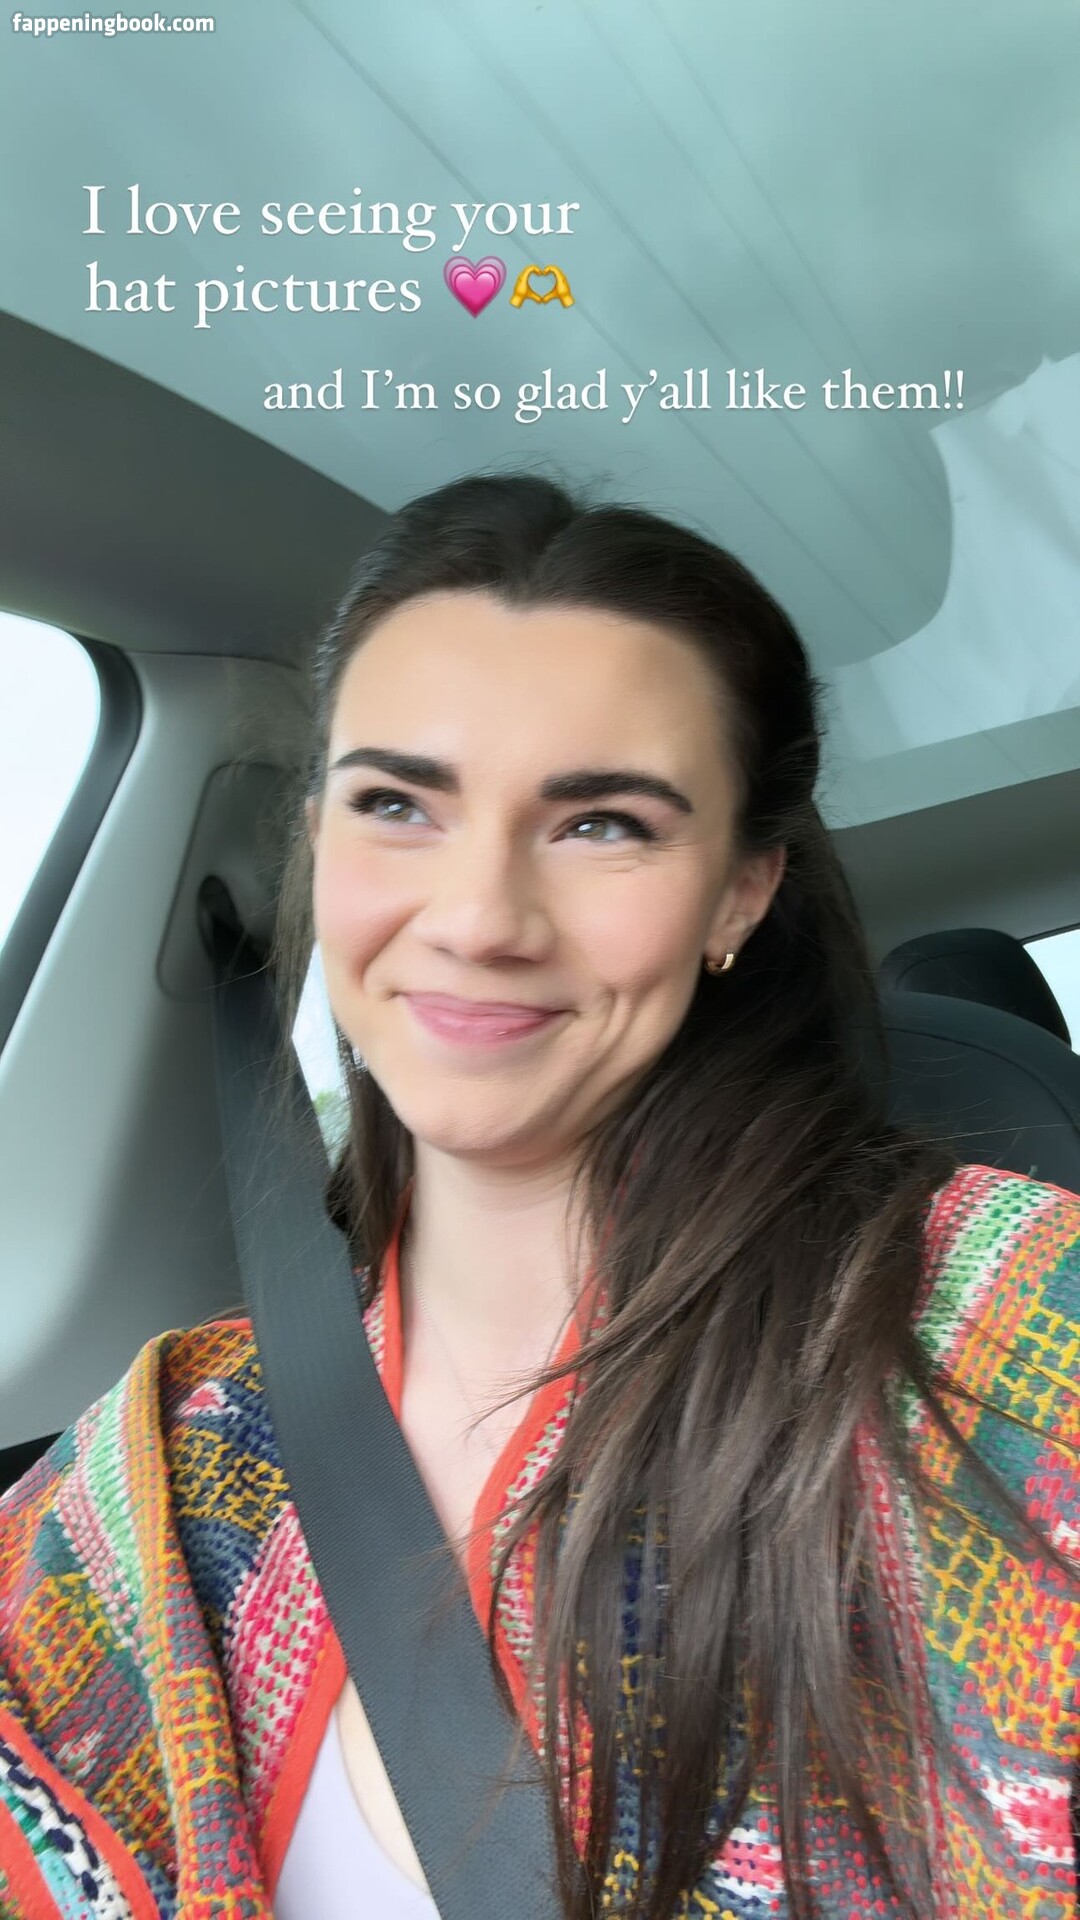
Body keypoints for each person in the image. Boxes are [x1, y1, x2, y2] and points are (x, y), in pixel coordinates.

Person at [0, 473, 1077, 1920]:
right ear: (315, 836)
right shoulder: (168, 1452)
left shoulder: (1019, 1335)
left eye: (603, 825)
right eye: (397, 804)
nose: (479, 919)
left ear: (741, 893)